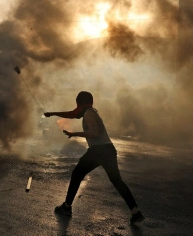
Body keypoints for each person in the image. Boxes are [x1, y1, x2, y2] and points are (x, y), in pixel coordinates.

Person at [44, 91, 145, 224]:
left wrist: (74, 134)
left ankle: (67, 207)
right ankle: (136, 212)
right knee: (116, 180)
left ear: (84, 104)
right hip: (109, 150)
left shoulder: (89, 113)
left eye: (78, 105)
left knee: (76, 174)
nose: (77, 108)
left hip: (98, 150)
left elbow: (95, 133)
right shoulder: (90, 111)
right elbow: (72, 114)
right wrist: (52, 113)